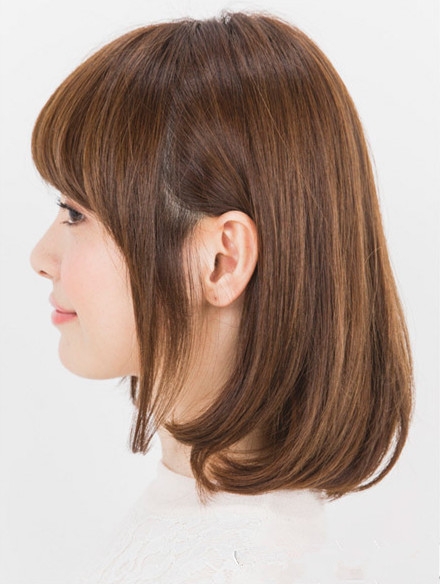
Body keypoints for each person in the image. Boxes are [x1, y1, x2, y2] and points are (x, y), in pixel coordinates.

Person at [30, 12, 413, 584]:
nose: (40, 257)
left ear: (221, 260)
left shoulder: (232, 565)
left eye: (75, 214)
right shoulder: (197, 521)